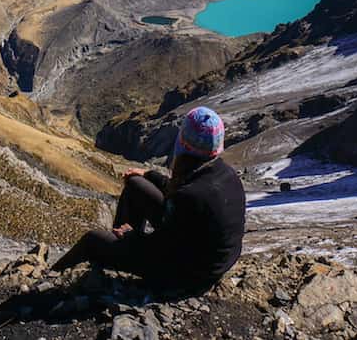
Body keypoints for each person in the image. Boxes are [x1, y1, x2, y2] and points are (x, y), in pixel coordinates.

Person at [52, 106, 245, 292]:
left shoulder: (190, 197)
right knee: (135, 184)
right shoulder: (225, 174)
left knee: (91, 239)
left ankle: (51, 278)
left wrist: (132, 237)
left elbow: (164, 248)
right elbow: (178, 197)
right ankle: (116, 250)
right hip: (201, 254)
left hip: (189, 274)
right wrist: (148, 174)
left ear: (182, 143)